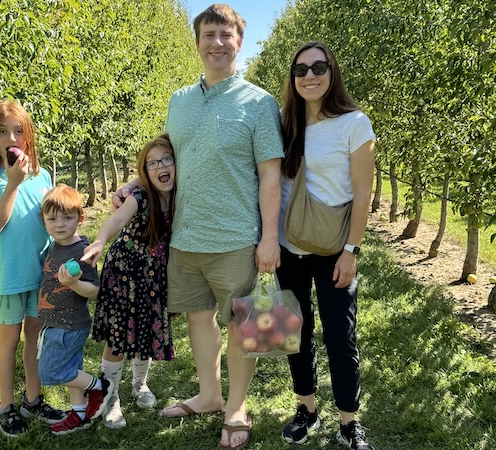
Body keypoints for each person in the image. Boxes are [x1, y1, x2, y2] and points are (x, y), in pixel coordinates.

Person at [111, 5, 283, 448]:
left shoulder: (260, 103)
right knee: (199, 321)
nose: (217, 43)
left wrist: (268, 238)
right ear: (198, 42)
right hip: (184, 236)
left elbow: (269, 175)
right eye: (209, 34)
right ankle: (209, 395)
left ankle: (237, 406)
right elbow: (171, 158)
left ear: (239, 42)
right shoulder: (180, 100)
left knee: (247, 325)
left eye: (226, 35)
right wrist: (134, 185)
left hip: (237, 238)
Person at [276, 42, 376, 449]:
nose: (310, 75)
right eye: (301, 70)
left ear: (332, 72)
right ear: (293, 78)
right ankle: (307, 408)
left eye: (318, 67)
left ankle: (349, 422)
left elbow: (363, 191)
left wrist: (352, 250)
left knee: (340, 335)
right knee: (295, 333)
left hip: (335, 248)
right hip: (288, 247)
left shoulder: (354, 123)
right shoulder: (284, 122)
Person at [0, 100, 66, 437]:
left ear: (28, 135)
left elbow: (51, 222)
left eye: (18, 130)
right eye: (2, 131)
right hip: (10, 274)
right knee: (9, 338)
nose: (11, 138)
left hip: (40, 270)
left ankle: (33, 399)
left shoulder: (42, 174)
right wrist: (12, 183)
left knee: (35, 337)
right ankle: (6, 406)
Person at [80, 134, 176, 429]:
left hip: (154, 274)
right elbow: (118, 219)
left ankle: (140, 385)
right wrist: (98, 241)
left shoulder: (179, 195)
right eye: (152, 163)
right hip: (125, 273)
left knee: (145, 332)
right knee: (119, 337)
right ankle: (110, 397)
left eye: (166, 159)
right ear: (144, 172)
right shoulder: (140, 197)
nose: (161, 166)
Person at [37, 184, 114, 435]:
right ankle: (79, 413)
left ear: (80, 219)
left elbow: (94, 289)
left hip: (70, 325)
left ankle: (98, 387)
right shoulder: (54, 245)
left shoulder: (82, 251)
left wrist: (73, 283)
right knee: (72, 370)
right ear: (44, 221)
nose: (59, 224)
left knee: (53, 372)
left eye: (67, 218)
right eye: (52, 219)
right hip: (55, 322)